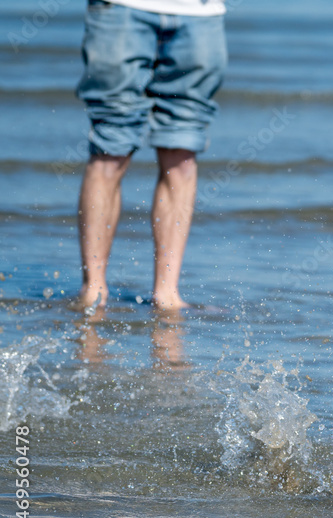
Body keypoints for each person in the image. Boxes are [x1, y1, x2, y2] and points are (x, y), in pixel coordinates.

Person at [75, 0, 227, 310]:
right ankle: (93, 289)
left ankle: (167, 294)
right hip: (121, 6)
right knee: (110, 151)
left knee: (182, 153)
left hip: (201, 13)